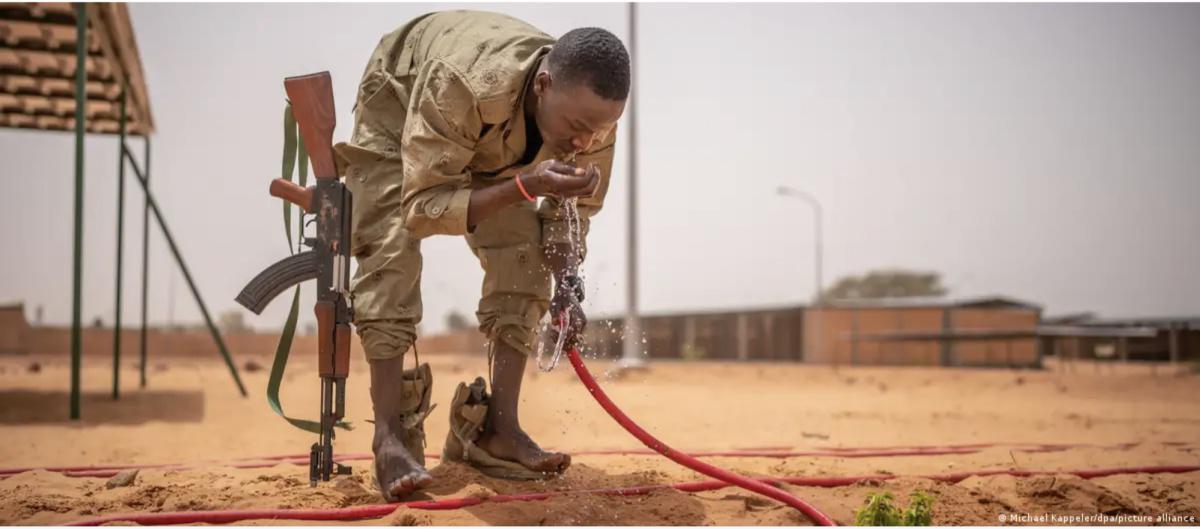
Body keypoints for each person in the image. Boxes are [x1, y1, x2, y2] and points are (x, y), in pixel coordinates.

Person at [331, 9, 630, 501]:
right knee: (389, 254)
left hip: (494, 142)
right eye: (577, 127)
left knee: (525, 256)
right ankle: (389, 434)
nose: (585, 143)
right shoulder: (465, 83)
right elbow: (421, 208)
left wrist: (566, 288)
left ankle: (497, 431)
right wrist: (522, 184)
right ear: (543, 85)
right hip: (404, 104)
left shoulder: (592, 120)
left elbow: (567, 218)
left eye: (598, 132)